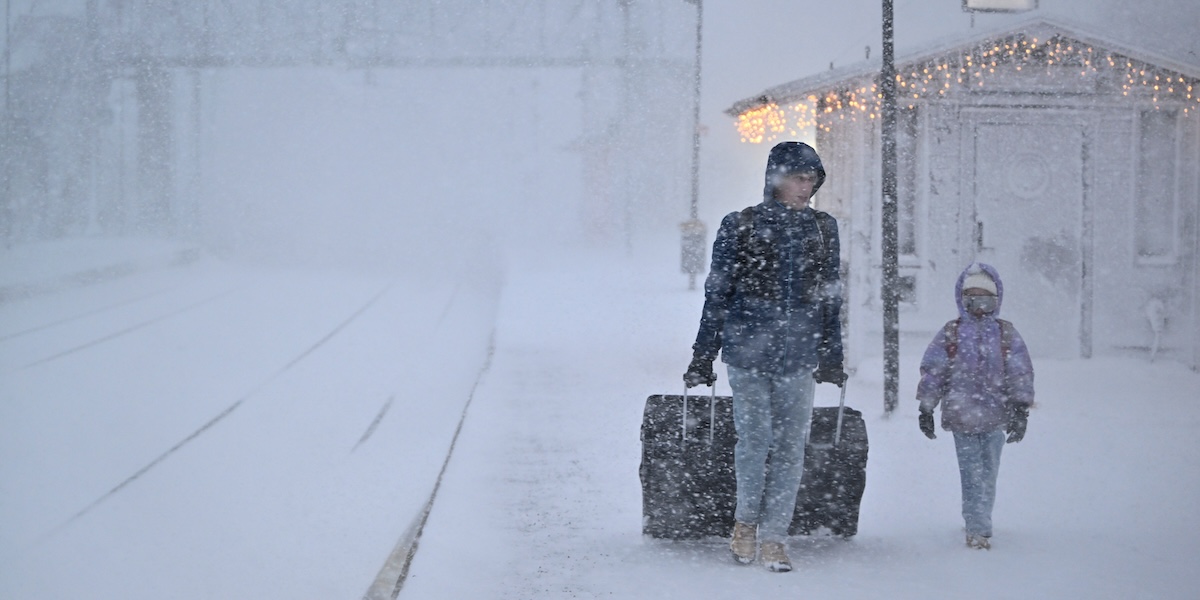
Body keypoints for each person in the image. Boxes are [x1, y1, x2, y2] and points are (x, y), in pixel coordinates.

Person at [683, 141, 846, 572]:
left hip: (799, 355)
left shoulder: (822, 229)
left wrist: (832, 353)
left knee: (791, 447)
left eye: (811, 180)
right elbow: (717, 294)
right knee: (753, 442)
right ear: (776, 179)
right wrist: (703, 354)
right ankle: (745, 525)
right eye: (797, 178)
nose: (805, 188)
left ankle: (775, 536)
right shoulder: (741, 226)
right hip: (747, 354)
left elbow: (831, 296)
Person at [916, 263, 1034, 550]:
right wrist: (926, 407)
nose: (979, 306)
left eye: (986, 299)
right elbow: (934, 371)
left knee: (989, 473)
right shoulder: (952, 333)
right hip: (962, 417)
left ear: (996, 301)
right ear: (962, 300)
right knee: (971, 474)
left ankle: (979, 518)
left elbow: (1020, 372)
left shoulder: (1006, 334)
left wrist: (1020, 409)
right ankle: (977, 528)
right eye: (972, 299)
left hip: (996, 416)